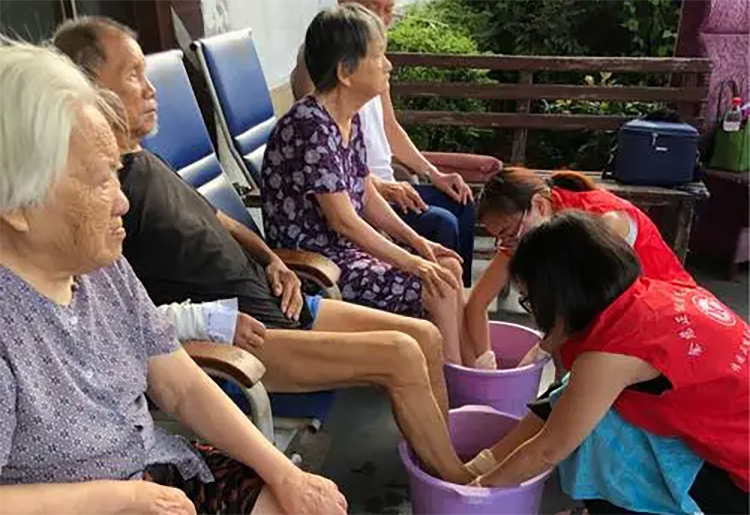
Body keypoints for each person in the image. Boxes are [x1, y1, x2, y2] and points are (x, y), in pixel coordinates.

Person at [53, 15, 473, 484]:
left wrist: (272, 259)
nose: (152, 91)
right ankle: (459, 483)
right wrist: (209, 322)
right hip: (245, 338)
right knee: (401, 354)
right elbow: (117, 317)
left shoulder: (148, 161)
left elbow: (222, 221)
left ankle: (440, 457)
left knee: (426, 336)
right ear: (88, 90)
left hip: (279, 297)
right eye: (133, 75)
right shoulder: (101, 200)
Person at [0, 43, 346, 515]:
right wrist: (120, 497)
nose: (122, 202)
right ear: (17, 206)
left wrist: (286, 473)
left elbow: (180, 385)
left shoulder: (102, 267)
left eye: (116, 175)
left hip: (157, 470)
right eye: (99, 182)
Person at [465, 211, 748, 514]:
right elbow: (565, 395)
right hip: (731, 448)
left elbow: (548, 449)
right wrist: (485, 463)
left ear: (560, 295)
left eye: (531, 300)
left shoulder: (616, 350)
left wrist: (474, 491)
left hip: (737, 485)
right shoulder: (648, 297)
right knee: (576, 397)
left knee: (594, 433)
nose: (535, 311)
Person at [263, 4, 485, 369]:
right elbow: (344, 221)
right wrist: (413, 263)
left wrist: (420, 244)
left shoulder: (346, 118)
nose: (388, 65)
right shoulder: (310, 126)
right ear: (345, 72)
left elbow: (365, 192)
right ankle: (456, 379)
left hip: (346, 251)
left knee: (447, 265)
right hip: (318, 265)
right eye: (378, 56)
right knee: (439, 285)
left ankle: (474, 369)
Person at [291, 0, 477, 288]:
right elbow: (335, 182)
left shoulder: (360, 95)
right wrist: (413, 259)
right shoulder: (323, 80)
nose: (383, 17)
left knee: (462, 204)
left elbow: (390, 129)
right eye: (374, 7)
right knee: (442, 230)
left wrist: (434, 174)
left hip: (376, 190)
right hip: (342, 223)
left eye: (389, 9)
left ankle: (460, 297)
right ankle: (448, 294)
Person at [465, 168, 695, 364]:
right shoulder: (524, 232)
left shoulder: (605, 222)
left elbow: (577, 315)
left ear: (539, 205)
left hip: (674, 321)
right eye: (500, 238)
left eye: (508, 233)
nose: (507, 244)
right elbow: (477, 303)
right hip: (632, 317)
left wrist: (537, 355)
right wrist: (486, 360)